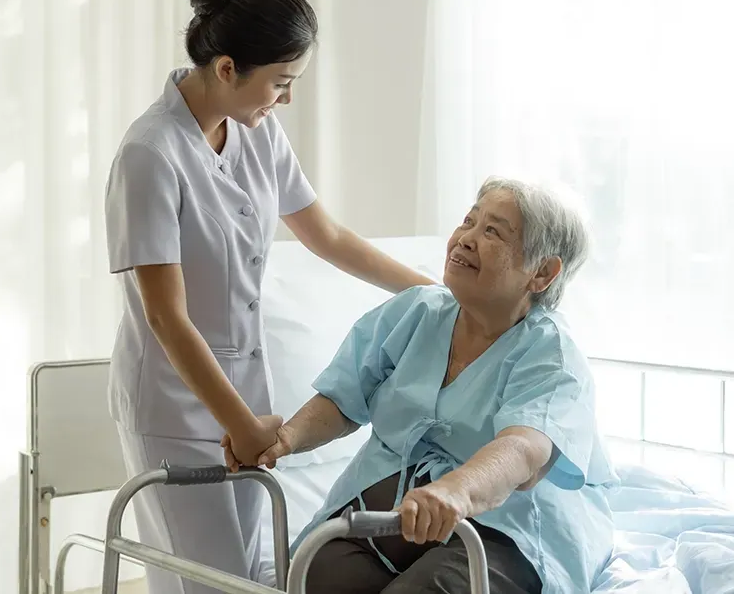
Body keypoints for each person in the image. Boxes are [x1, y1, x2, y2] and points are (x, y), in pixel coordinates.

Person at [103, 0, 434, 594]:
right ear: (227, 69)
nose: (286, 97)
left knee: (253, 574)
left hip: (247, 394)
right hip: (175, 403)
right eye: (281, 81)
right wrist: (241, 425)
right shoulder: (150, 155)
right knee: (210, 581)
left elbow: (328, 238)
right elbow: (166, 317)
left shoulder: (258, 132)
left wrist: (437, 294)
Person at [224, 177, 618, 594]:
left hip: (505, 526)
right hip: (398, 511)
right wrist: (284, 439)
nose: (466, 239)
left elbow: (523, 451)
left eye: (492, 232)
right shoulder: (416, 312)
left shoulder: (551, 354)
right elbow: (342, 399)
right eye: (469, 220)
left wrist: (456, 491)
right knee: (313, 578)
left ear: (542, 272)